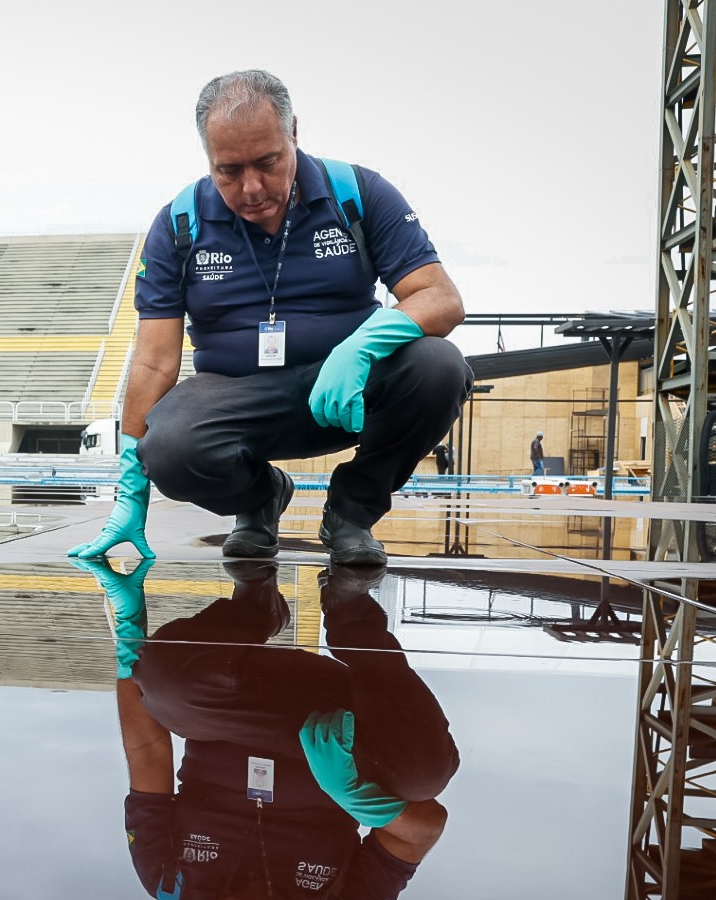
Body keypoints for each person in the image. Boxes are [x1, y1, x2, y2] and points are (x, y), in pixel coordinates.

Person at [67, 70, 472, 567]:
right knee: (168, 447)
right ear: (207, 158)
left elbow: (440, 297)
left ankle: (352, 513)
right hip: (238, 397)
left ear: (293, 134)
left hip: (347, 389)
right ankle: (260, 498)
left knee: (439, 368)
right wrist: (130, 485)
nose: (252, 188)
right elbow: (154, 363)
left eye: (268, 162)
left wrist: (359, 349)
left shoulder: (358, 192)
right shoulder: (180, 223)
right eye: (229, 171)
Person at [75, 557, 456, 900]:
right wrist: (349, 792)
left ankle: (256, 605)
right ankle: (348, 609)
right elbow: (422, 830)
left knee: (163, 677)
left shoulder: (164, 878)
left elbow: (148, 753)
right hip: (340, 723)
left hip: (236, 704)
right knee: (425, 774)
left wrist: (130, 650)